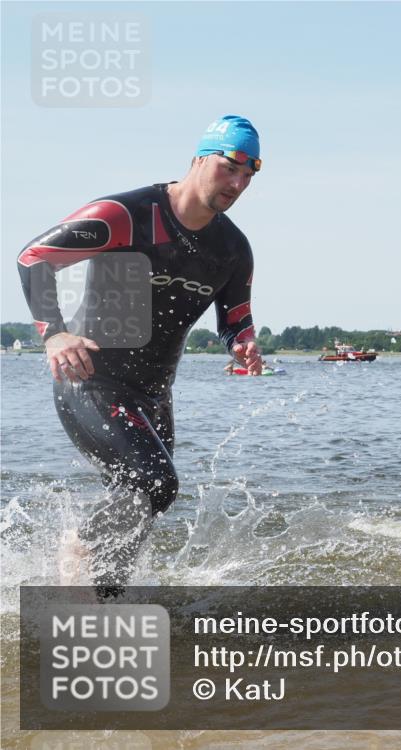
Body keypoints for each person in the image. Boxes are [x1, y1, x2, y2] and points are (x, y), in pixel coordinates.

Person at [16, 115, 264, 595]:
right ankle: (81, 544)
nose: (238, 183)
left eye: (249, 174)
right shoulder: (128, 215)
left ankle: (100, 609)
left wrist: (243, 345)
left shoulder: (232, 248)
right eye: (229, 167)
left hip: (154, 397)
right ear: (198, 159)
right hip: (91, 381)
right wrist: (54, 334)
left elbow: (236, 320)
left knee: (139, 507)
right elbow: (34, 257)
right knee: (157, 484)